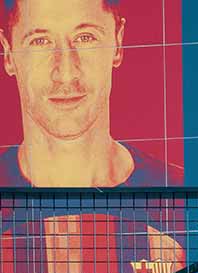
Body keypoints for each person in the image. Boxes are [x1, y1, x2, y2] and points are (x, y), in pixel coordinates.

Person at [0, 0, 179, 186]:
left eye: (85, 37)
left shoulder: (177, 189)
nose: (66, 74)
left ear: (118, 44)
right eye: (40, 41)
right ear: (8, 55)